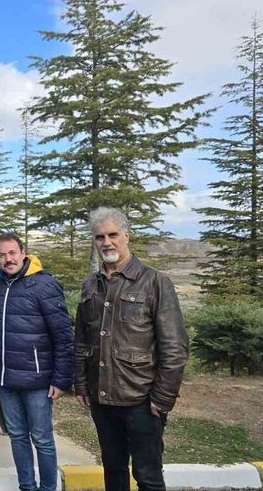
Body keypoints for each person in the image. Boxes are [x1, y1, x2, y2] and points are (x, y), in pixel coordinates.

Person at [75, 207, 189, 491]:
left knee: (148, 477)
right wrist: (82, 384)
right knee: (113, 472)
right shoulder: (90, 285)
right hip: (102, 401)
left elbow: (174, 347)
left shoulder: (155, 282)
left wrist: (162, 399)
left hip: (142, 402)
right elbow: (81, 340)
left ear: (126, 235)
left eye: (113, 235)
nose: (107, 242)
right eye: (99, 237)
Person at [0, 232, 73, 491]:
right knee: (17, 437)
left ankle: (48, 488)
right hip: (6, 380)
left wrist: (60, 379)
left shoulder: (44, 285)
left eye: (12, 253)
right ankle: (27, 486)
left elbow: (63, 336)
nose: (8, 259)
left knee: (42, 439)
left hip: (38, 381)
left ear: (23, 252)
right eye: (2, 255)